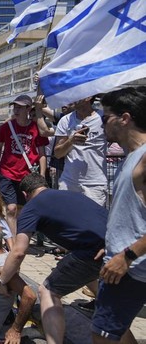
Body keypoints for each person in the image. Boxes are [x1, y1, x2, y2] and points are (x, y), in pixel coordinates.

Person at [0, 173, 106, 344]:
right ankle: (104, 303)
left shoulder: (31, 207)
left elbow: (18, 251)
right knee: (76, 268)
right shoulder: (73, 195)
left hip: (90, 252)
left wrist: (2, 280)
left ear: (25, 195)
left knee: (48, 291)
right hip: (117, 248)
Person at [91, 87, 146, 344]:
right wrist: (113, 242)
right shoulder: (131, 158)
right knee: (116, 334)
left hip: (131, 268)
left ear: (124, 118)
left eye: (105, 118)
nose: (101, 125)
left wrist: (128, 254)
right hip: (123, 262)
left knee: (103, 338)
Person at [0, 94, 49, 236]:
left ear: (28, 109)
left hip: (27, 175)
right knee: (11, 208)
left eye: (20, 107)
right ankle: (13, 242)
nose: (16, 110)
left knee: (23, 209)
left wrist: (42, 175)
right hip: (7, 172)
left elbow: (42, 153)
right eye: (15, 107)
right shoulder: (7, 127)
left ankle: (20, 235)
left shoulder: (36, 128)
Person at [53, 95, 107, 206]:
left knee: (93, 222)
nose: (71, 97)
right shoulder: (65, 120)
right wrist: (70, 141)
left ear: (88, 97)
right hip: (69, 182)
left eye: (76, 94)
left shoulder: (103, 118)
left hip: (95, 183)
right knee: (66, 221)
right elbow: (57, 154)